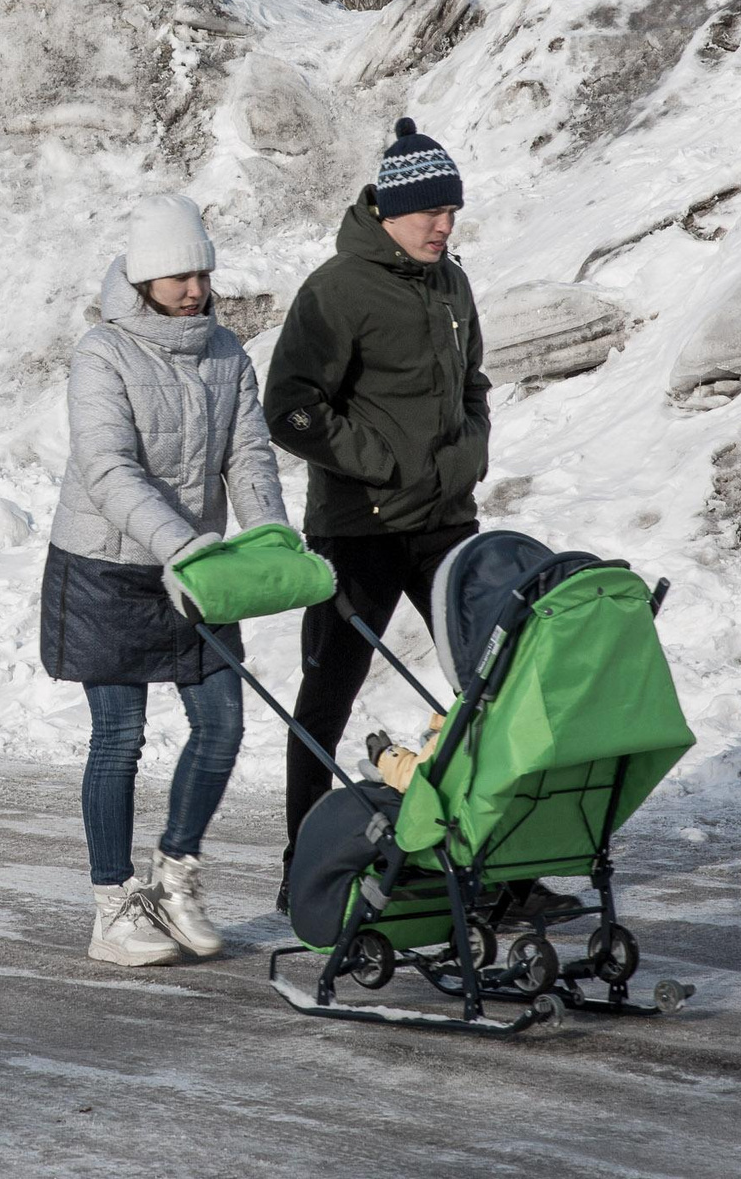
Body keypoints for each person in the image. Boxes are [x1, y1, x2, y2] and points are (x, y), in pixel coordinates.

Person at [44, 194, 288, 966]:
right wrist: (183, 543)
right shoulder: (102, 352)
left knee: (223, 724)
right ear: (145, 278)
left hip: (197, 568)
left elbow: (247, 453)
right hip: (109, 567)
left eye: (202, 273)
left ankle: (175, 876)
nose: (194, 288)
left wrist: (270, 538)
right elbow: (107, 466)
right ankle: (112, 906)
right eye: (179, 275)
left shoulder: (226, 353)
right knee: (119, 735)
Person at [262, 118, 494, 905]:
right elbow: (290, 408)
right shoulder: (336, 289)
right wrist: (382, 462)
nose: (444, 225)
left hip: (445, 524)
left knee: (489, 690)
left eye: (451, 210)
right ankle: (303, 867)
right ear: (391, 210)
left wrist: (468, 454)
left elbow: (474, 385)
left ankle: (487, 862)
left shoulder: (451, 283)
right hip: (357, 528)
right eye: (431, 210)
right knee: (325, 698)